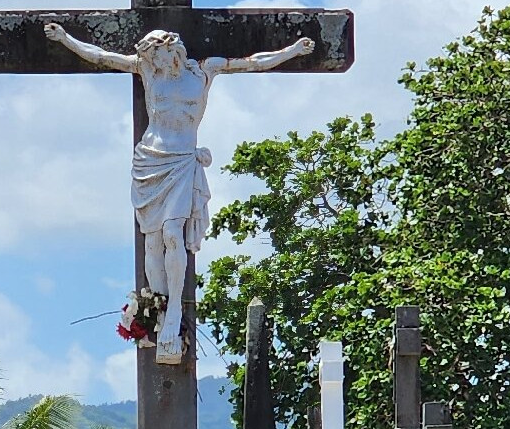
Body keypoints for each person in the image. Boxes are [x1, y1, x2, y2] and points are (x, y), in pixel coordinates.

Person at [44, 23, 314, 363]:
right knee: (152, 241)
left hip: (182, 162)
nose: (155, 63)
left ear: (173, 49)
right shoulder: (146, 70)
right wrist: (66, 39)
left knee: (173, 233)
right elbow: (102, 56)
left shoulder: (204, 70)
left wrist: (292, 51)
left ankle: (173, 310)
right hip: (150, 161)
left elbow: (253, 62)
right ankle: (154, 309)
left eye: (158, 55)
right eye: (151, 58)